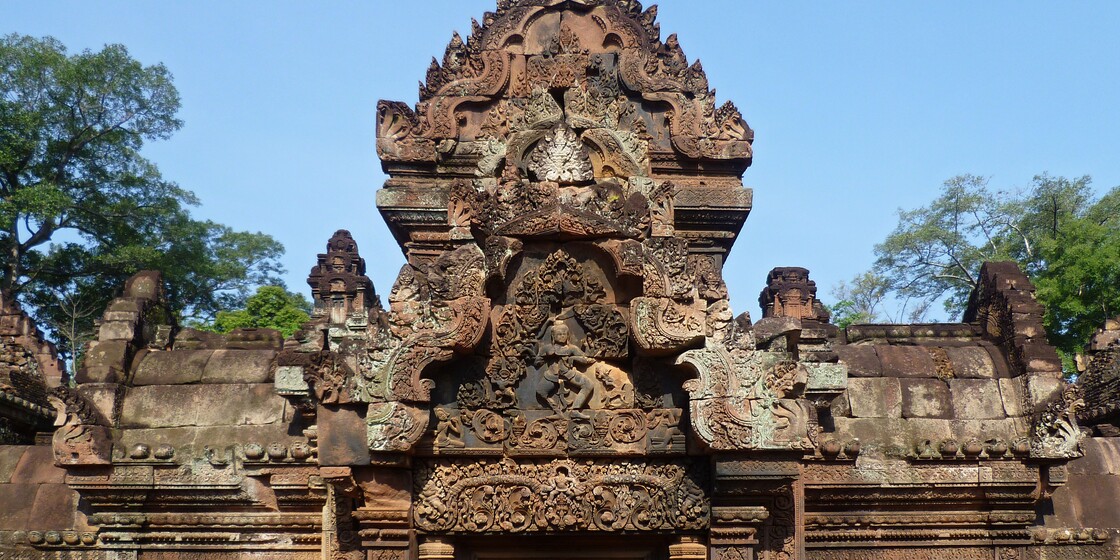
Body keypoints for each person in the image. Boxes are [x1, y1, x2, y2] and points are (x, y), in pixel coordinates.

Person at [535, 320, 596, 412]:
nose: (562, 336)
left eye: (564, 334)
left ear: (568, 335)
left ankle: (575, 410)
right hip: (551, 375)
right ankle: (555, 409)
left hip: (569, 373)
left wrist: (574, 358)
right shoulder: (547, 348)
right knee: (540, 391)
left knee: (588, 385)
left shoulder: (571, 348)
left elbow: (585, 359)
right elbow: (537, 362)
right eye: (559, 334)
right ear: (553, 336)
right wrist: (545, 356)